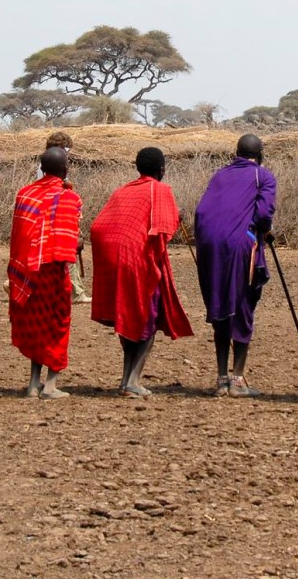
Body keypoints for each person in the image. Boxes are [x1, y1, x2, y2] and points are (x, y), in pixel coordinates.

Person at [90, 147, 193, 398]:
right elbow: (164, 228)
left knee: (129, 318)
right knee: (149, 317)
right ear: (162, 170)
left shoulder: (122, 191)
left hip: (111, 259)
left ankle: (126, 378)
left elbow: (102, 224)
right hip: (136, 259)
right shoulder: (160, 190)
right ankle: (133, 381)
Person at [194, 133, 276, 396]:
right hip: (241, 245)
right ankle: (237, 380)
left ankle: (221, 378)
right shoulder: (263, 176)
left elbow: (204, 210)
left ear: (236, 154)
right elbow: (263, 214)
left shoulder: (219, 174)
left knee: (220, 304)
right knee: (242, 304)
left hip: (208, 245)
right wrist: (262, 232)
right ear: (260, 156)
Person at [8, 147, 82, 399]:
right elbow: (67, 242)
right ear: (65, 170)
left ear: (42, 167)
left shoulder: (24, 194)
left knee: (35, 326)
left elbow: (21, 236)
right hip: (53, 275)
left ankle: (32, 383)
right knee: (56, 325)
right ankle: (50, 385)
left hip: (27, 275)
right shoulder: (68, 198)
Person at [45, 130, 90, 304]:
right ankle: (77, 293)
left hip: (56, 215)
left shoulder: (50, 166)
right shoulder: (52, 168)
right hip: (57, 217)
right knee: (66, 252)